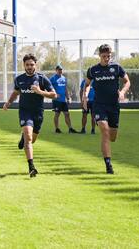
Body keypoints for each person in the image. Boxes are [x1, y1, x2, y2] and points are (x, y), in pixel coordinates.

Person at [3, 54, 57, 177]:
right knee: (28, 136)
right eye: (27, 64)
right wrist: (8, 102)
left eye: (32, 64)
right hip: (24, 112)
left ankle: (24, 137)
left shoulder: (42, 79)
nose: (29, 67)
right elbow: (16, 92)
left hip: (38, 113)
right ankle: (31, 167)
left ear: (35, 65)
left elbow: (54, 95)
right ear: (24, 65)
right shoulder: (19, 79)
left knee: (31, 139)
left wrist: (39, 91)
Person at [82, 44, 130, 174]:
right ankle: (108, 164)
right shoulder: (93, 70)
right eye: (104, 56)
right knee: (104, 130)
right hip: (99, 105)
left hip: (114, 105)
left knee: (112, 136)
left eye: (108, 56)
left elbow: (127, 81)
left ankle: (109, 143)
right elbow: (87, 84)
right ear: (99, 56)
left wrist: (123, 92)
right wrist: (85, 95)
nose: (106, 58)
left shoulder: (117, 67)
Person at [49, 65, 78, 133]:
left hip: (63, 100)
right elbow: (48, 87)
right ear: (56, 70)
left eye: (61, 70)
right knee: (57, 114)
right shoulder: (52, 78)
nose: (60, 71)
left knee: (67, 114)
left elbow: (65, 89)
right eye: (59, 70)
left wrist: (68, 97)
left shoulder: (64, 78)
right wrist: (54, 94)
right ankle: (57, 129)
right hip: (56, 100)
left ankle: (70, 128)